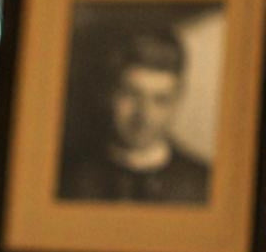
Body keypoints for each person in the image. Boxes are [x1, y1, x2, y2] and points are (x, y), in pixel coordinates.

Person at [59, 26, 210, 204]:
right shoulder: (68, 179)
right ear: (107, 92)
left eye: (161, 99)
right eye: (131, 94)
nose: (145, 116)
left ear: (177, 100)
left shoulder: (204, 184)